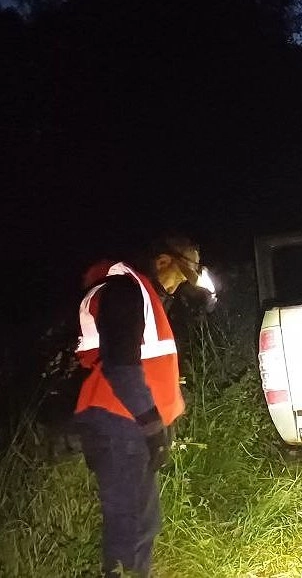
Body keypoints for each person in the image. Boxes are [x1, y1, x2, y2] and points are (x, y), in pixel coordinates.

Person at [73, 240, 201, 577]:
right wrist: (151, 425)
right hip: (122, 425)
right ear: (161, 261)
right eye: (180, 273)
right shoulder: (124, 291)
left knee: (134, 522)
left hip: (125, 425)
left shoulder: (138, 295)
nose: (182, 283)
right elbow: (120, 366)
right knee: (133, 525)